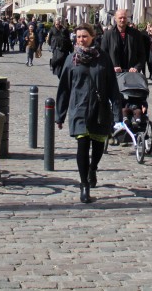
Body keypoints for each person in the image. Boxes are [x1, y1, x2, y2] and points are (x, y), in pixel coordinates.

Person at [55, 23, 121, 204]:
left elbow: (113, 87)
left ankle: (93, 168)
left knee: (98, 145)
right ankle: (84, 186)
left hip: (100, 109)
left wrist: (117, 114)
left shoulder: (103, 59)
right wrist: (60, 115)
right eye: (78, 37)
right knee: (82, 145)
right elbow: (64, 89)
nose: (81, 40)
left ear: (92, 37)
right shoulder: (71, 59)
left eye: (84, 36)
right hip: (79, 108)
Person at [102, 9, 149, 76]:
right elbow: (103, 55)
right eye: (120, 18)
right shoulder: (108, 34)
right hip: (114, 74)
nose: (122, 20)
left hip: (132, 73)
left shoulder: (136, 34)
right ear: (115, 19)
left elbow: (142, 54)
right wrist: (112, 67)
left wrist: (137, 67)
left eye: (124, 18)